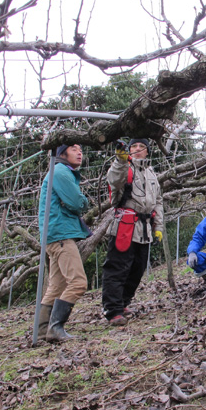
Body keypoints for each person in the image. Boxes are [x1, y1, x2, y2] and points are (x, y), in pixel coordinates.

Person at [101, 139, 164, 326]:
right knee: (117, 268)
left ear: (147, 152)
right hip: (125, 226)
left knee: (138, 268)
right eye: (133, 146)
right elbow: (113, 180)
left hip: (145, 229)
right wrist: (120, 161)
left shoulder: (152, 174)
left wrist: (158, 227)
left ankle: (123, 302)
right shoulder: (124, 169)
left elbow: (158, 201)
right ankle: (112, 310)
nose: (137, 149)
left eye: (141, 147)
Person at [37, 144, 91, 342]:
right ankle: (55, 327)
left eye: (81, 149)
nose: (79, 152)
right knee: (78, 282)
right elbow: (77, 203)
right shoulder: (60, 171)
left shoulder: (58, 171)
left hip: (52, 235)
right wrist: (83, 202)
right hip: (60, 234)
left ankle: (42, 331)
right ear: (62, 153)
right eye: (74, 148)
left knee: (56, 286)